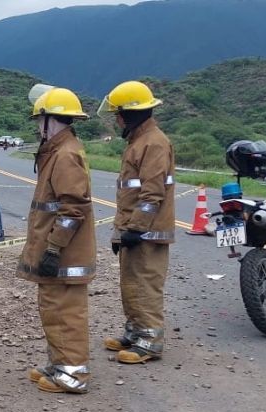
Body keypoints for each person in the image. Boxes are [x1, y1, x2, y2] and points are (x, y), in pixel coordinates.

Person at [18, 87, 96, 394]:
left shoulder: (65, 155)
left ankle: (72, 375)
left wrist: (53, 248)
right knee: (53, 308)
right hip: (58, 250)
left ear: (51, 120)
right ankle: (59, 365)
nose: (38, 127)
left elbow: (73, 209)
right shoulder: (57, 151)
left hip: (65, 253)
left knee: (66, 312)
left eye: (40, 120)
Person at [97, 80, 175, 364]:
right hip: (134, 230)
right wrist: (122, 232)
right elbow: (130, 194)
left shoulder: (154, 143)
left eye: (118, 113)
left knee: (145, 286)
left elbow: (151, 194)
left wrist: (136, 229)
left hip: (147, 232)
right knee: (130, 284)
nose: (116, 119)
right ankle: (135, 332)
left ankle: (150, 342)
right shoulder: (139, 141)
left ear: (130, 113)